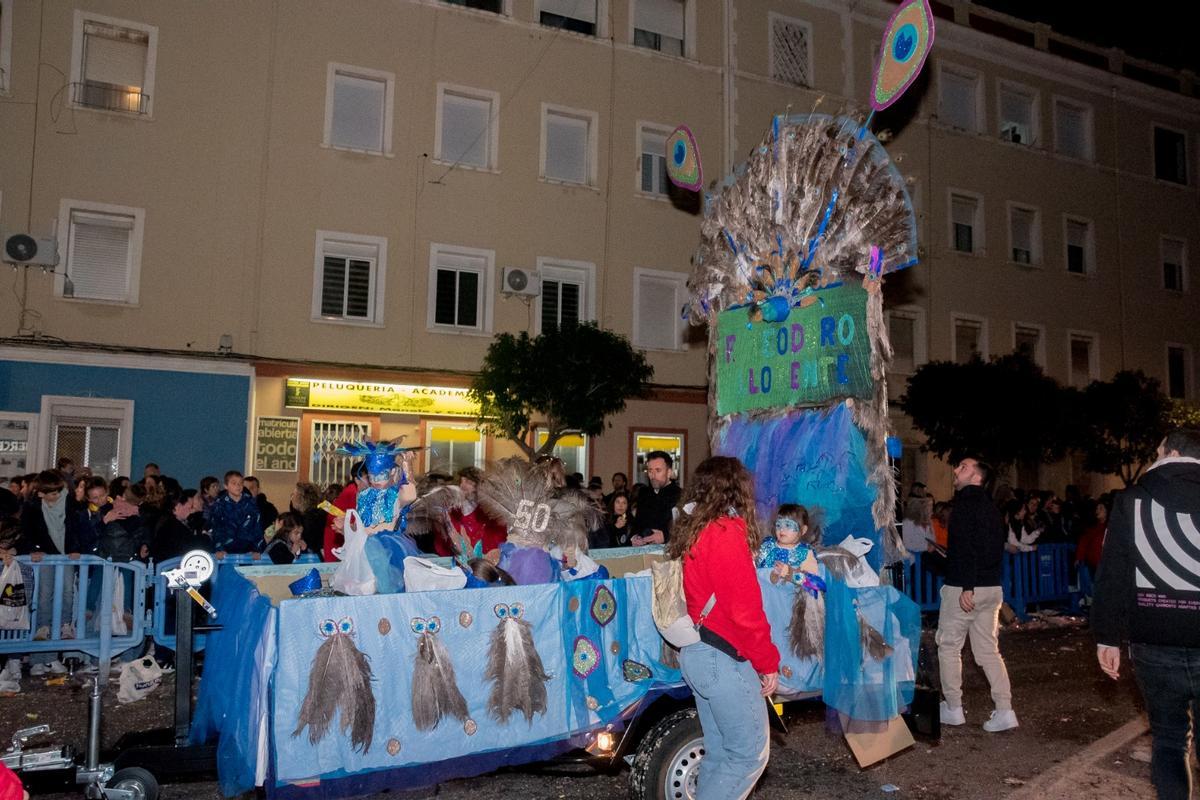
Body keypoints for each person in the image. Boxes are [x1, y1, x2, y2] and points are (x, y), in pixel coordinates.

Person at [1093, 428, 1200, 800]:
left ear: (1170, 451)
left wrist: (1107, 636)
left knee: (1169, 739)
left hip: (1153, 641)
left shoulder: (1132, 501)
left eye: (1156, 450)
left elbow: (1113, 574)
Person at [670, 456, 779, 800]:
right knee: (747, 755)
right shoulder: (725, 532)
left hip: (698, 651)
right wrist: (767, 662)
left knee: (720, 755)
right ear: (735, 490)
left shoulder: (693, 529)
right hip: (723, 657)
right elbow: (744, 610)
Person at [936, 457, 1017, 732]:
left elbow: (966, 548)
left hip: (965, 588)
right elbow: (992, 548)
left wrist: (968, 586)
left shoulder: (965, 506)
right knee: (987, 651)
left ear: (977, 477)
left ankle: (953, 708)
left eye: (964, 467)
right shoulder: (992, 508)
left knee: (949, 647)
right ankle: (1005, 710)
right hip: (991, 588)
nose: (956, 470)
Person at [631, 451, 681, 546]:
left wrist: (666, 536)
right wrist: (635, 537)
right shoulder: (643, 494)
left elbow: (687, 528)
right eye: (650, 471)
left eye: (658, 470)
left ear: (669, 472)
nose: (652, 476)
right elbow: (637, 524)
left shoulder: (681, 495)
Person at [755, 504, 814, 582]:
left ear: (803, 530)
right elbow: (757, 570)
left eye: (788, 525)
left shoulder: (806, 552)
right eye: (778, 525)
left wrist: (789, 573)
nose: (782, 529)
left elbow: (811, 582)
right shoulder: (767, 546)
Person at [208, 470, 261, 553]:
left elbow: (256, 527)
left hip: (247, 549)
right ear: (226, 486)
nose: (238, 486)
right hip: (226, 549)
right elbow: (216, 529)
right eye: (234, 483)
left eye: (240, 483)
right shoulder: (219, 505)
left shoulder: (250, 503)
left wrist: (257, 549)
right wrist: (219, 549)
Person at [289, 482, 326, 556]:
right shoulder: (321, 513)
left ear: (301, 498)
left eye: (294, 494)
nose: (291, 497)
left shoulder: (307, 519)